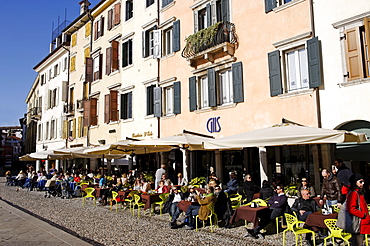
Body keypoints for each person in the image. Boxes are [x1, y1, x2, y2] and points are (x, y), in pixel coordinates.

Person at [347, 174, 370, 246]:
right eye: (360, 181)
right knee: (357, 242)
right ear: (355, 183)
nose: (363, 183)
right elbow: (351, 209)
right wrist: (363, 214)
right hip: (358, 223)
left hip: (361, 222)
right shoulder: (354, 193)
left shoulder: (358, 192)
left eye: (363, 181)